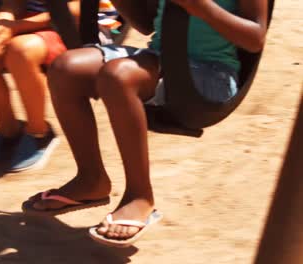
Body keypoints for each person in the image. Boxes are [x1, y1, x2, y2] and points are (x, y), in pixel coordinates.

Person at [22, 0, 269, 247]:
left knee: (118, 75)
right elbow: (147, 24)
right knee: (65, 68)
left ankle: (139, 197)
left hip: (211, 74)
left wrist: (199, 7)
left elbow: (255, 38)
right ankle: (91, 180)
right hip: (160, 57)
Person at [0, 0, 80, 171]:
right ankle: (8, 130)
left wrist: (16, 27)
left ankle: (39, 133)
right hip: (27, 23)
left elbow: (78, 8)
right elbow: (14, 3)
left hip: (74, 27)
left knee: (21, 52)